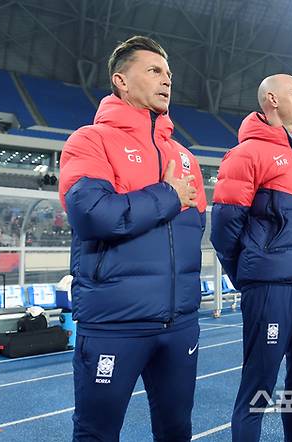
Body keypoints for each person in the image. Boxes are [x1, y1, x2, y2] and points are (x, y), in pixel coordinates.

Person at [58, 36, 207, 441]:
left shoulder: (185, 156)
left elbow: (195, 228)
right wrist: (167, 195)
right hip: (114, 323)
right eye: (154, 71)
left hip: (179, 324)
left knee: (177, 430)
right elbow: (92, 214)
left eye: (169, 74)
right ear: (121, 81)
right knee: (97, 433)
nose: (166, 81)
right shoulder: (90, 140)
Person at [210, 74, 292, 442]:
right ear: (272, 99)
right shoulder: (246, 154)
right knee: (258, 389)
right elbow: (224, 230)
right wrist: (250, 274)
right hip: (271, 288)